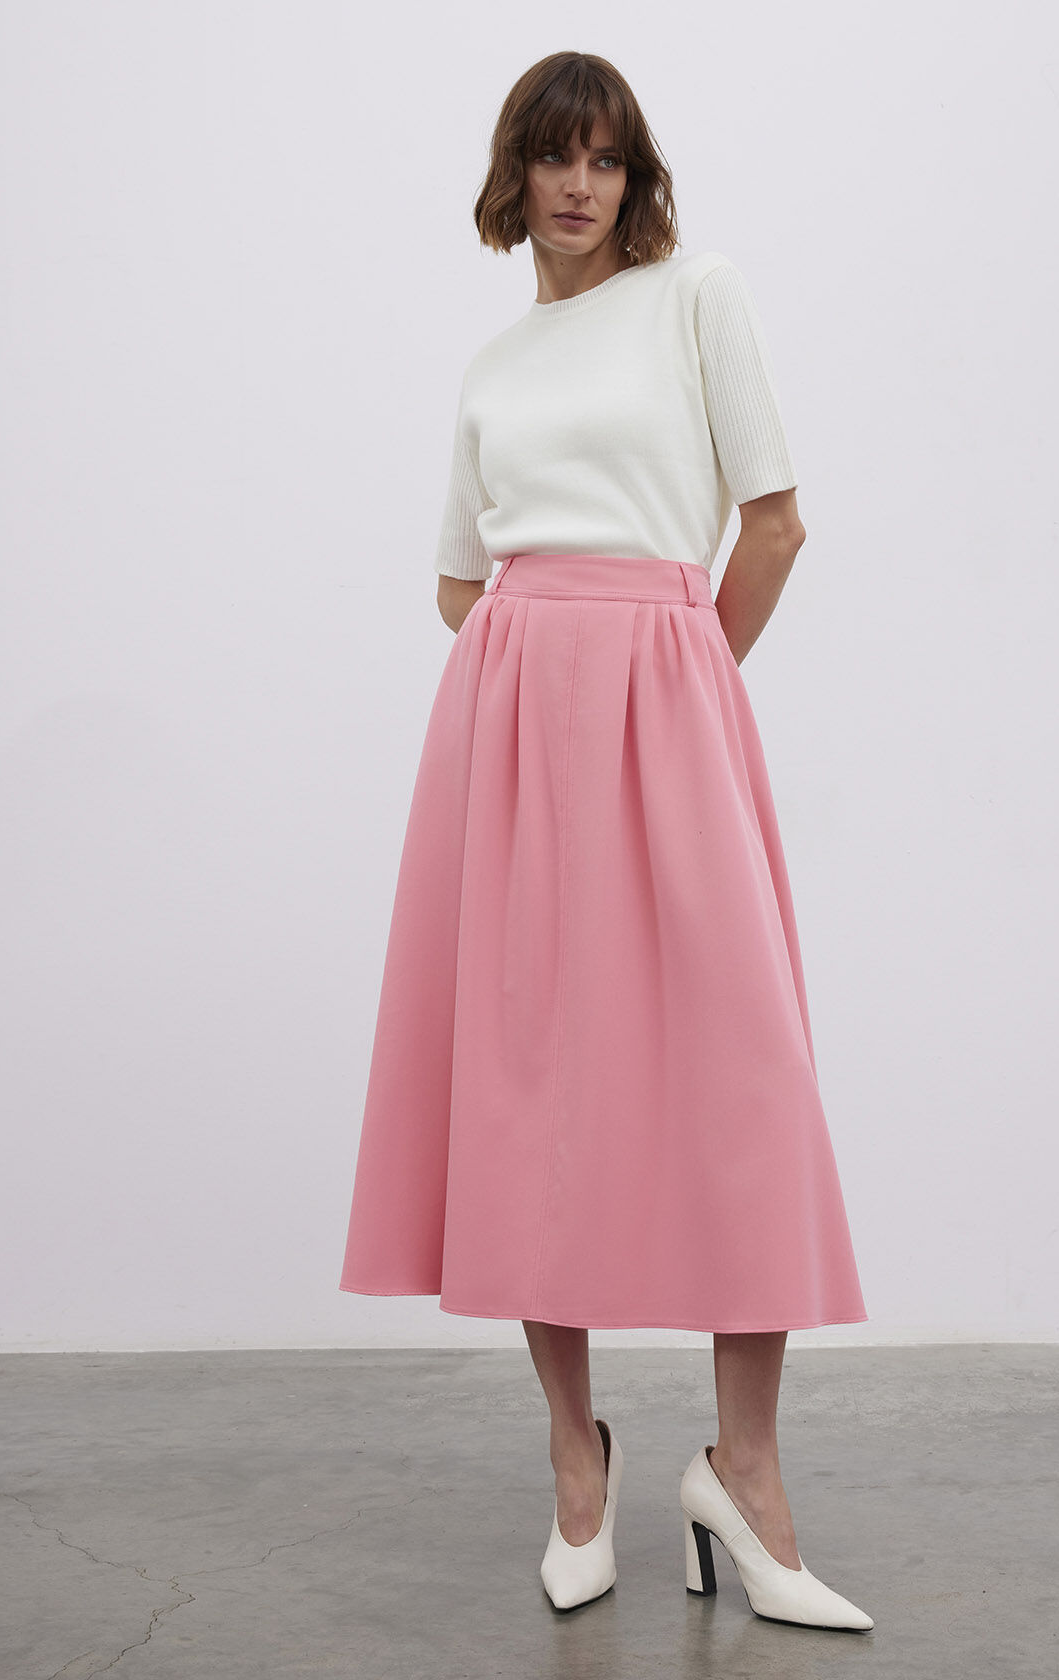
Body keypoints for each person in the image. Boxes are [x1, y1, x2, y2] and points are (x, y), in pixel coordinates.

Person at [339, 50, 874, 1631]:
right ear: (515, 175)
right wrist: (539, 673)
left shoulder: (699, 296)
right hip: (517, 743)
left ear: (637, 176)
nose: (580, 186)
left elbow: (773, 520)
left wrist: (681, 675)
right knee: (532, 1082)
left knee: (744, 1071)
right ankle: (578, 1467)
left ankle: (745, 1476)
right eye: (553, 157)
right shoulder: (494, 368)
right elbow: (461, 579)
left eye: (607, 158)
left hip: (670, 705)